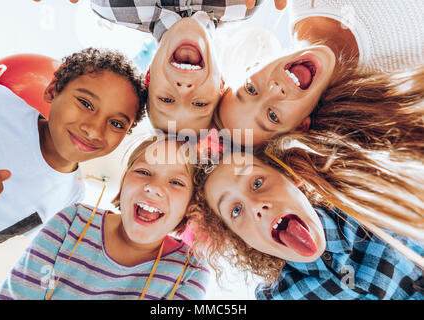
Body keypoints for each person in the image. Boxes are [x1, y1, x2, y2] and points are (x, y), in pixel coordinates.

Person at [0, 47, 147, 257]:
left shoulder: (70, 199)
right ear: (53, 90)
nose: (93, 130)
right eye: (85, 103)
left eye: (117, 124)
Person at [190, 146, 423, 299]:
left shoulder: (366, 202)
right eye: (236, 210)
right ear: (241, 240)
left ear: (291, 175)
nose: (255, 206)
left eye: (258, 183)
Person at [0, 135, 210, 300]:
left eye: (176, 182)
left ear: (191, 205)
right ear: (125, 181)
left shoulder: (189, 272)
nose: (153, 188)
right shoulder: (72, 222)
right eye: (144, 172)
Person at [214, 0, 424, 145]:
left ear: (253, 66)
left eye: (251, 89)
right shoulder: (401, 81)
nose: (273, 89)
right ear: (300, 126)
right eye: (272, 115)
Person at [89, 0, 265, 134]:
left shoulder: (110, 6)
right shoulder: (243, 6)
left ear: (149, 75)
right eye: (199, 103)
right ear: (221, 83)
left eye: (166, 100)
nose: (183, 89)